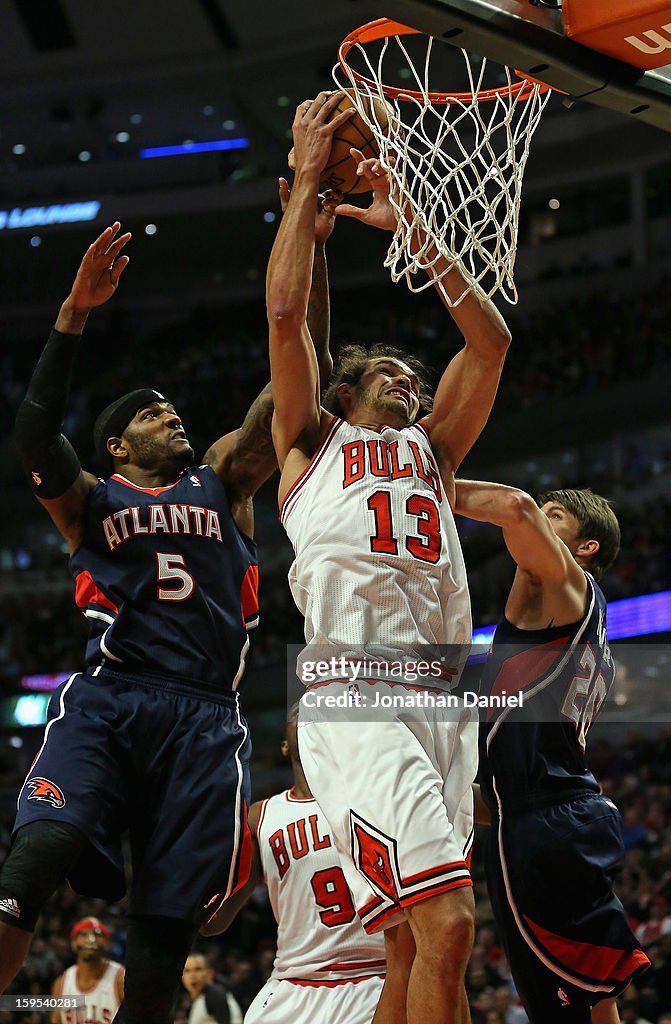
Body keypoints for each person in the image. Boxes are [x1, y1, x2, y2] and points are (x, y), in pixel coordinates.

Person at [0, 206, 335, 1024]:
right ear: (116, 444)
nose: (171, 415)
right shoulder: (91, 501)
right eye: (150, 413)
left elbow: (301, 371)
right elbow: (36, 437)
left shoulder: (223, 479)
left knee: (162, 937)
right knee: (32, 861)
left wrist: (312, 245)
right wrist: (73, 316)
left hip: (204, 721)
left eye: (172, 409)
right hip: (113, 699)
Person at [267, 92, 512, 1024]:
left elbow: (488, 345)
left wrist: (412, 219)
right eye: (388, 374)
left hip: (443, 696)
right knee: (447, 926)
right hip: (355, 689)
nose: (408, 380)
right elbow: (287, 316)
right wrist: (302, 195)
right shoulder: (309, 446)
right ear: (344, 391)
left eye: (414, 375)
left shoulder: (434, 453)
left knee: (413, 939)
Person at [453, 482, 651, 1024]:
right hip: (541, 813)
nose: (538, 518)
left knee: (577, 999)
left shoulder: (572, 590)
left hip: (547, 818)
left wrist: (428, 475)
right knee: (574, 999)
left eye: (555, 516)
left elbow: (513, 509)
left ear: (584, 547)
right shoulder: (554, 617)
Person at [200, 704, 386, 1023]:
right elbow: (214, 921)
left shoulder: (377, 795)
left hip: (373, 977)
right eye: (296, 712)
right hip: (292, 982)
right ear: (284, 745)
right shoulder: (260, 817)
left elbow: (480, 802)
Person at [51, 917, 124, 1024]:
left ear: (107, 944)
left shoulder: (121, 979)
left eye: (97, 934)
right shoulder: (62, 983)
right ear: (74, 943)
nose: (91, 939)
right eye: (83, 934)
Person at [181, 954, 242, 1024]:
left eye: (198, 969)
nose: (192, 976)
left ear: (210, 973)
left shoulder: (215, 995)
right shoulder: (199, 999)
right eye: (187, 971)